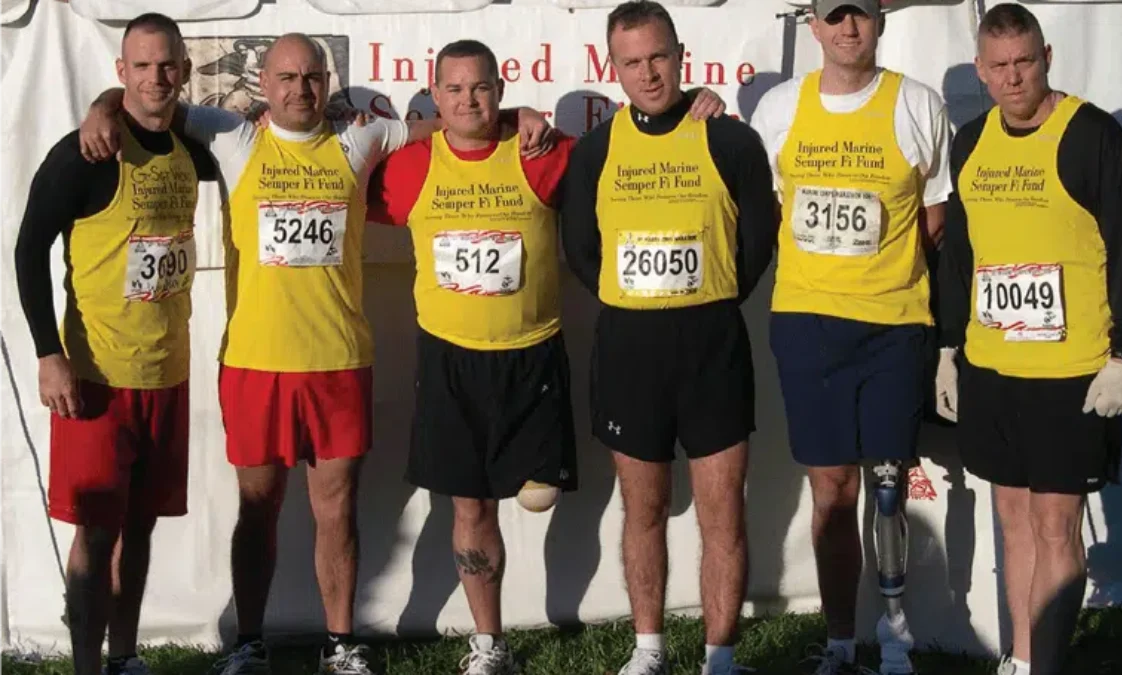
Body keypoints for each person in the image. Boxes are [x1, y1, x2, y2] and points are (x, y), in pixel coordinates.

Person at [79, 33, 554, 675]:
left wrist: (519, 115)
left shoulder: (363, 138)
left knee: (337, 511)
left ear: (327, 84)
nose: (300, 89)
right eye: (287, 77)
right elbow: (150, 101)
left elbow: (454, 121)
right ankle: (249, 644)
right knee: (257, 510)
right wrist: (103, 107)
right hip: (256, 364)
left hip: (338, 363)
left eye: (312, 77)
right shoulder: (233, 137)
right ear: (264, 84)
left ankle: (340, 644)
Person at [367, 37, 725, 675]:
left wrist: (700, 108)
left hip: (531, 357)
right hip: (450, 362)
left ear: (500, 90)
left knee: (540, 498)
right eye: (454, 90)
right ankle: (489, 644)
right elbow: (344, 175)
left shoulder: (540, 153)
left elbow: (633, 151)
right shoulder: (412, 167)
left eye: (481, 88)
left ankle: (571, 614)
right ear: (435, 96)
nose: (468, 100)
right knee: (470, 507)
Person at [934, 5, 1122, 675]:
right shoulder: (971, 142)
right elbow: (960, 255)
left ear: (1047, 58)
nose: (1013, 78)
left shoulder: (1094, 138)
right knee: (1014, 521)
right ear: (981, 70)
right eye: (999, 66)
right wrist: (948, 348)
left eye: (1025, 62)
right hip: (993, 370)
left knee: (1057, 528)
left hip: (1070, 374)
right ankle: (1022, 660)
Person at [559, 2, 778, 674]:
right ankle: (647, 650)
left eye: (658, 57)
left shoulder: (730, 141)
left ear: (681, 55)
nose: (648, 73)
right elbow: (581, 251)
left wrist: (707, 296)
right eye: (632, 62)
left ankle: (720, 657)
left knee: (723, 513)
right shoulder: (595, 151)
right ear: (613, 67)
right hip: (630, 349)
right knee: (643, 508)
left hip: (712, 344)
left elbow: (757, 244)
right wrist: (638, 298)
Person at [749, 1, 953, 673]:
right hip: (808, 322)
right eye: (834, 17)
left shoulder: (918, 105)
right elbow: (769, 209)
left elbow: (934, 219)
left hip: (893, 323)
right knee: (832, 489)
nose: (848, 29)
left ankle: (896, 641)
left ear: (879, 21)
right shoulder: (779, 108)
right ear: (813, 26)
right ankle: (840, 644)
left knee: (890, 485)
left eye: (859, 14)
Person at [13, 13, 217, 675]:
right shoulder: (87, 152)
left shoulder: (193, 145)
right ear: (122, 71)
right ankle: (86, 666)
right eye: (143, 66)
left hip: (167, 372)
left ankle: (124, 657)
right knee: (96, 531)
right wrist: (48, 353)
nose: (157, 77)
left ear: (184, 69)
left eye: (168, 65)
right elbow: (27, 248)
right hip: (97, 377)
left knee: (142, 525)